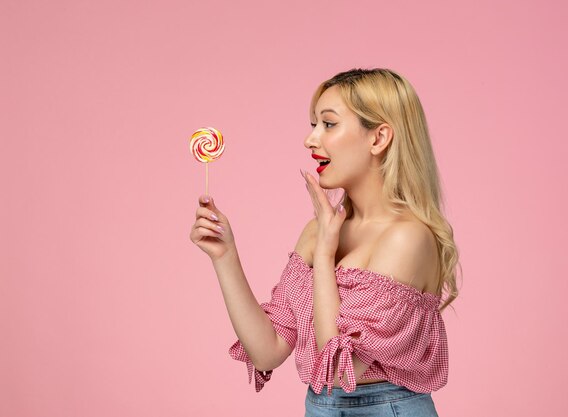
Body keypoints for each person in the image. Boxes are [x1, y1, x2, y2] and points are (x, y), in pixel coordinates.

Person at [189, 68, 460, 417]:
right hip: (321, 408)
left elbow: (335, 366)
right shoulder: (319, 231)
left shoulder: (407, 238)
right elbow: (268, 351)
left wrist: (325, 253)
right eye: (313, 124)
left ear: (378, 138)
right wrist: (224, 255)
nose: (310, 140)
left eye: (328, 124)